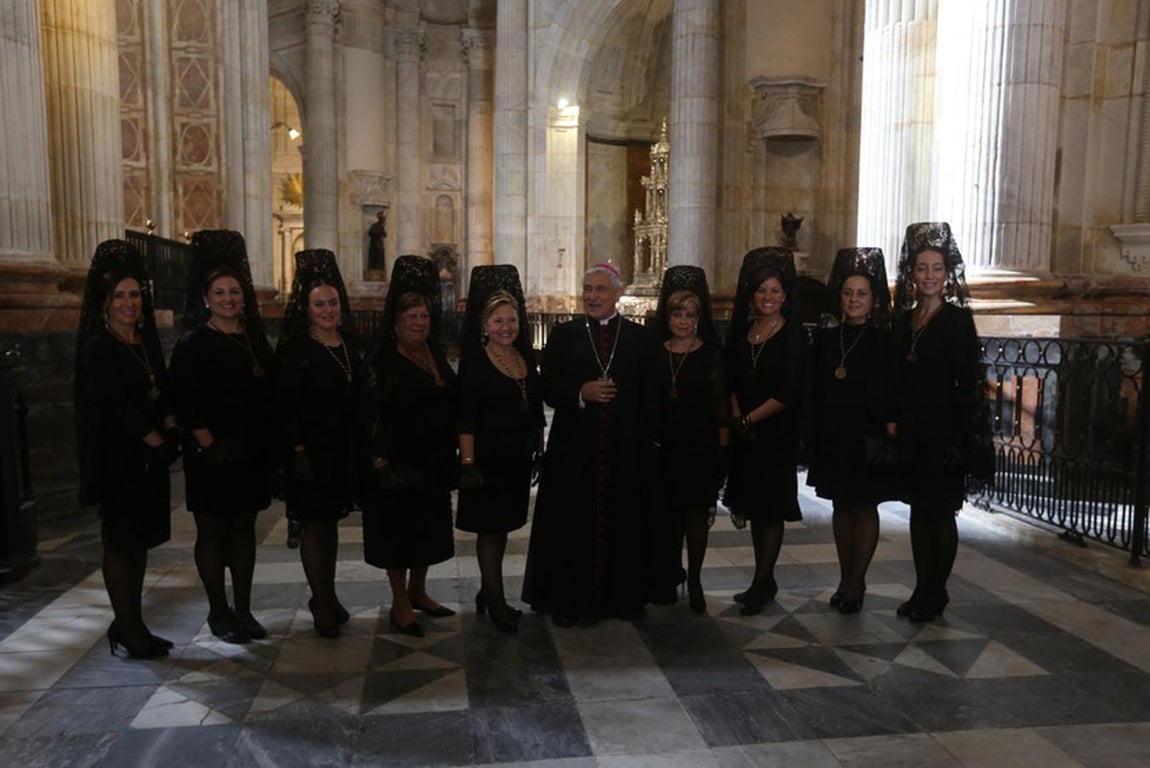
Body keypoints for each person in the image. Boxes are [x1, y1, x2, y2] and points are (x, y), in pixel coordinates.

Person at [522, 263, 657, 627]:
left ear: (618, 294)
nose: (592, 296)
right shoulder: (564, 335)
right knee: (572, 525)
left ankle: (623, 598)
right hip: (574, 450)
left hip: (624, 448)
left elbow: (649, 394)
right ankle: (569, 600)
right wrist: (580, 392)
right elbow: (547, 388)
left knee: (623, 522)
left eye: (600, 289)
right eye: (587, 289)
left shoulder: (639, 338)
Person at [169, 230, 277, 644]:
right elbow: (184, 398)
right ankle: (218, 610)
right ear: (206, 297)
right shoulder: (194, 343)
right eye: (219, 292)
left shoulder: (254, 340)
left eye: (234, 291)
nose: (228, 299)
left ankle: (243, 610)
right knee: (213, 533)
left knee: (245, 531)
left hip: (250, 452)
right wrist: (209, 443)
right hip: (211, 454)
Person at [75, 240, 181, 659]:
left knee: (139, 542)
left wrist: (169, 425)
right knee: (120, 543)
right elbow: (114, 407)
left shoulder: (144, 341)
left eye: (135, 294)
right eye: (119, 296)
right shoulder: (100, 347)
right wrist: (156, 440)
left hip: (149, 460)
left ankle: (130, 622)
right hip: (119, 459)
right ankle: (128, 628)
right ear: (104, 302)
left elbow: (161, 390)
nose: (128, 303)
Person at [891, 222, 994, 623]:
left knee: (941, 513)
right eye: (922, 268)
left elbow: (969, 382)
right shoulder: (903, 320)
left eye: (937, 268)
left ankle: (937, 593)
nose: (929, 275)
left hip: (946, 431)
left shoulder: (956, 320)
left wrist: (964, 437)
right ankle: (921, 588)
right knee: (919, 512)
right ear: (912, 273)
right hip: (912, 430)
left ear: (947, 274)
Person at [360, 255, 458, 638]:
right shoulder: (382, 360)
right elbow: (370, 414)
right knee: (397, 535)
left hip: (431, 460)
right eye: (411, 316)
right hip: (396, 464)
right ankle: (400, 601)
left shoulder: (433, 352)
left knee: (426, 531)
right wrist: (380, 463)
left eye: (424, 316)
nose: (419, 322)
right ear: (397, 321)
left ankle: (419, 591)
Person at [807, 248, 899, 614]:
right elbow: (816, 388)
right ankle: (845, 577)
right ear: (839, 297)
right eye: (848, 293)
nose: (854, 299)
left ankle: (857, 581)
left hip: (868, 435)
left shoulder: (884, 340)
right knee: (840, 506)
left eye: (862, 293)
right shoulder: (826, 340)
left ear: (873, 299)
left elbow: (892, 390)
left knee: (864, 506)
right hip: (834, 434)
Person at [456, 265, 545, 634]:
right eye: (498, 321)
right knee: (490, 531)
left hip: (516, 460)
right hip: (486, 461)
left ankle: (487, 590)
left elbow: (534, 410)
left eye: (511, 320)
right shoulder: (476, 362)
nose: (505, 327)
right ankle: (495, 600)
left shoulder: (523, 358)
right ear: (485, 325)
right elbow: (465, 418)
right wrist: (468, 464)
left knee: (504, 526)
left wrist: (538, 448)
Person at [277, 249, 361, 638]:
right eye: (319, 304)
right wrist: (297, 452)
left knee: (330, 526)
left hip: (341, 450)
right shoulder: (296, 349)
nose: (328, 310)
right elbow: (286, 407)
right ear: (306, 309)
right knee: (314, 526)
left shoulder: (347, 343)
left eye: (332, 302)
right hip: (309, 453)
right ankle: (321, 602)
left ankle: (327, 593)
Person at [723, 247, 809, 616]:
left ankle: (761, 582)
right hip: (745, 433)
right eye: (761, 290)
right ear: (751, 294)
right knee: (755, 507)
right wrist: (737, 416)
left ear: (785, 295)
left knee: (771, 509)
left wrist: (751, 419)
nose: (768, 297)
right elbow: (730, 378)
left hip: (775, 433)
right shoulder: (743, 332)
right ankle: (764, 578)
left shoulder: (792, 335)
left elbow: (790, 389)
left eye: (774, 290)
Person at [649, 266, 729, 613]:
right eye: (677, 314)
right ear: (668, 317)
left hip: (700, 446)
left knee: (696, 516)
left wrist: (723, 448)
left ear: (698, 318)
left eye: (690, 315)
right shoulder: (656, 352)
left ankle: (695, 578)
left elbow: (721, 404)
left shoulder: (710, 354)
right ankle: (669, 575)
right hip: (663, 446)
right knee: (666, 517)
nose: (683, 321)